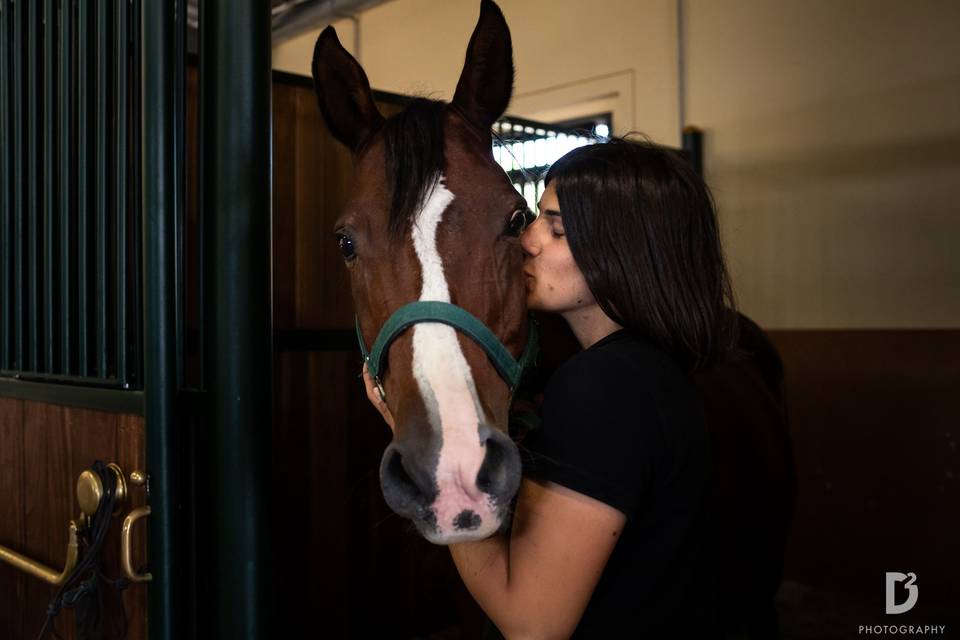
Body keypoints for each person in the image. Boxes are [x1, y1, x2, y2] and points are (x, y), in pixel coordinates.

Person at [364, 137, 740, 638]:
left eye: (556, 229)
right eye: (536, 218)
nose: (527, 240)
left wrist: (443, 478)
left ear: (622, 251)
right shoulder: (653, 370)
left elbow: (531, 623)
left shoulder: (604, 386)